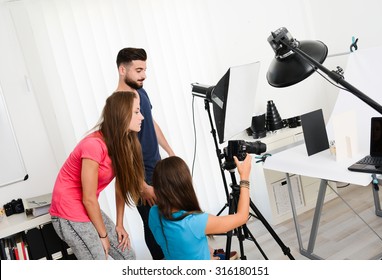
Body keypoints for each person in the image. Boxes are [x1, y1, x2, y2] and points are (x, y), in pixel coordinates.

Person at [49, 91, 145, 260]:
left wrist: (120, 224)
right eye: (136, 112)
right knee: (99, 259)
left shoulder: (123, 143)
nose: (142, 116)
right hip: (68, 211)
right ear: (122, 115)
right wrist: (103, 236)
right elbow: (88, 198)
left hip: (87, 206)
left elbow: (121, 185)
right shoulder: (93, 145)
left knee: (127, 255)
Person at [115, 47, 175, 260]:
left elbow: (151, 122)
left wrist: (169, 151)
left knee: (169, 224)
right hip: (142, 177)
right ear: (123, 70)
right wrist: (141, 185)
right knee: (153, 228)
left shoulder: (141, 91)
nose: (144, 75)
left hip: (158, 168)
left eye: (145, 69)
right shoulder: (119, 104)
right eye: (138, 70)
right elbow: (122, 154)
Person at [148, 154, 252, 260]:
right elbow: (242, 217)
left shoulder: (153, 213)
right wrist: (244, 177)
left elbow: (180, 246)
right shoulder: (195, 222)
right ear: (185, 184)